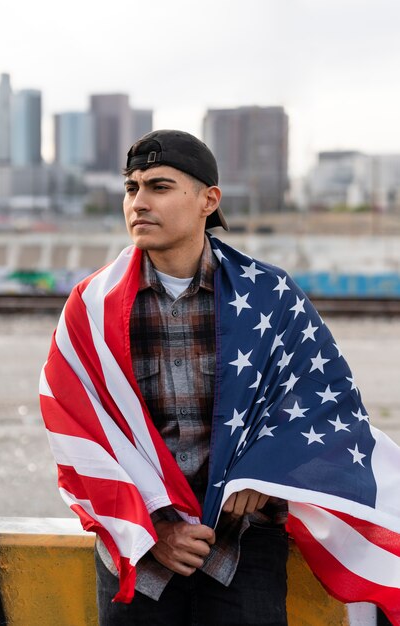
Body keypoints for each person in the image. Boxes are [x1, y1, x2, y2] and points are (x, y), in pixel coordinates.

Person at [40, 130, 400, 626]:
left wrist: (265, 471)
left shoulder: (271, 295)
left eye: (159, 187)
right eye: (132, 188)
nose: (139, 202)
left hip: (242, 544)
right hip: (141, 544)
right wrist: (157, 529)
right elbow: (78, 430)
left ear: (209, 200)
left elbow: (325, 399)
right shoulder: (91, 307)